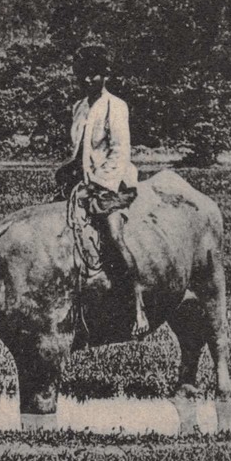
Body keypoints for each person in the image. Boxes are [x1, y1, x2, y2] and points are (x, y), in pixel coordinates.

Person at [55, 43, 148, 338]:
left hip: (112, 184)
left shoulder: (115, 106)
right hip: (82, 185)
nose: (87, 80)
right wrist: (68, 174)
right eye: (82, 74)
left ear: (105, 75)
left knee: (112, 234)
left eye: (94, 74)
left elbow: (119, 153)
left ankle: (137, 305)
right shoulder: (79, 107)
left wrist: (96, 185)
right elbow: (79, 152)